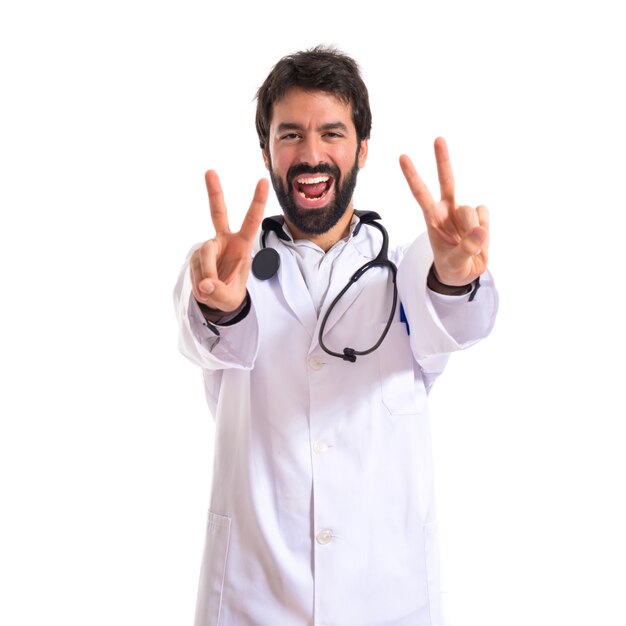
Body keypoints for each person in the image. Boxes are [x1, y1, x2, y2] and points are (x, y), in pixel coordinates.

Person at [174, 45, 498, 626]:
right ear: (268, 152)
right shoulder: (226, 271)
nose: (312, 154)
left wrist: (453, 277)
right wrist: (220, 306)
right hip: (255, 597)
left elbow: (455, 320)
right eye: (290, 135)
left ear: (362, 149)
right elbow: (212, 335)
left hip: (386, 597)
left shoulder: (405, 274)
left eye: (332, 133)